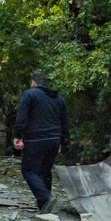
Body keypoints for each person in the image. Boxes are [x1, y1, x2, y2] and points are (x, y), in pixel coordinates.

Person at [13, 70, 69, 213]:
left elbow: (21, 119)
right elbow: (65, 123)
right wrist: (62, 142)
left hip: (36, 139)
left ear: (33, 82)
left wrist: (18, 136)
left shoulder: (30, 95)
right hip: (54, 140)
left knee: (29, 171)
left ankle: (45, 198)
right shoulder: (58, 98)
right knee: (45, 171)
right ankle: (44, 207)